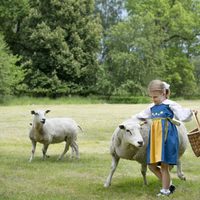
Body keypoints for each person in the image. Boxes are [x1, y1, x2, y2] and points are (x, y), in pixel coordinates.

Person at [136, 79, 197, 196]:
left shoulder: (170, 104)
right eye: (151, 97)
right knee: (151, 165)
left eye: (155, 97)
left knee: (164, 165)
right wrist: (133, 120)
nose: (153, 99)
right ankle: (169, 185)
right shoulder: (152, 107)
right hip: (155, 139)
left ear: (163, 93)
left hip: (167, 137)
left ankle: (165, 190)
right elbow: (140, 115)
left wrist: (190, 111)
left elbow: (182, 114)